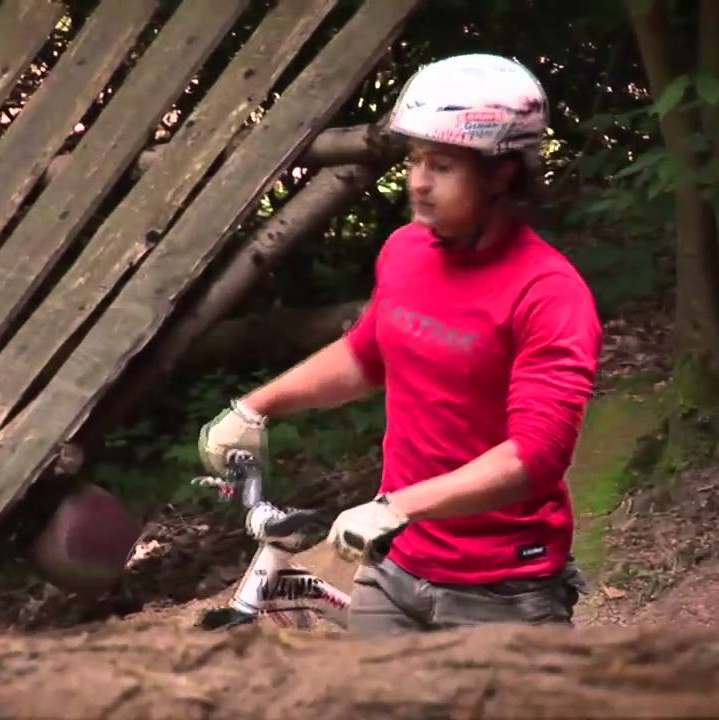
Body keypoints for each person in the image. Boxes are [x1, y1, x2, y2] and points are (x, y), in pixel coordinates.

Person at [198, 54, 602, 635]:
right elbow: (369, 353)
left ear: (502, 174)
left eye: (442, 165)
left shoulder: (548, 293)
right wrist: (256, 407)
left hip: (503, 593)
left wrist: (398, 506)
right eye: (415, 160)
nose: (417, 181)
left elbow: (533, 457)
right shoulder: (406, 251)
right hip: (394, 572)